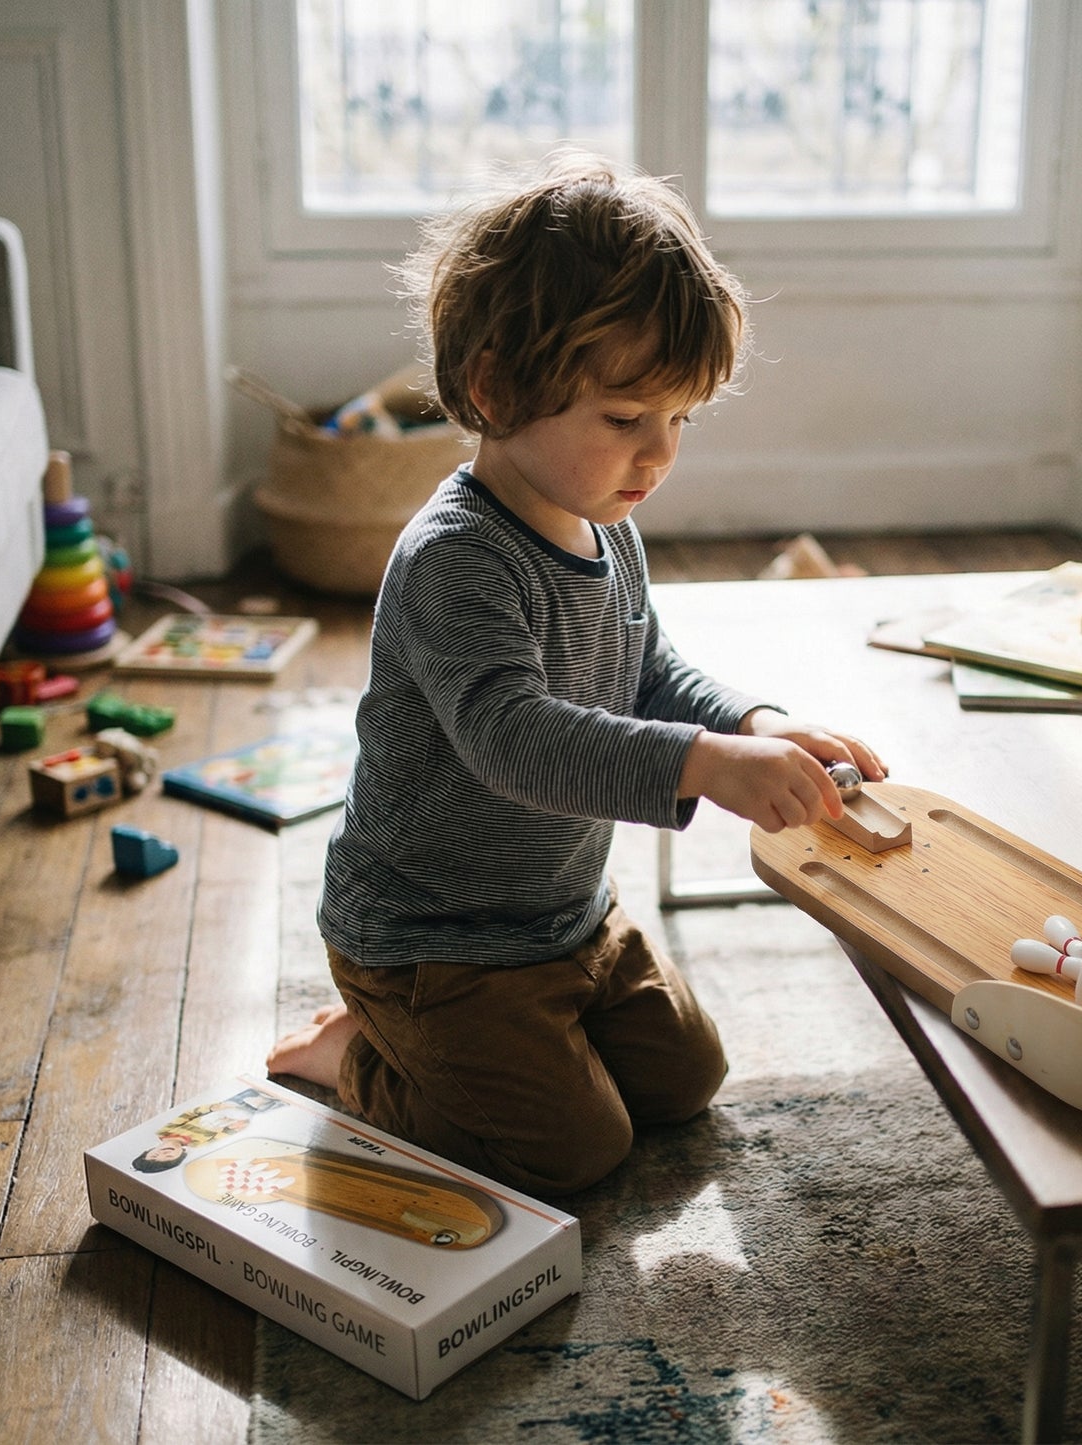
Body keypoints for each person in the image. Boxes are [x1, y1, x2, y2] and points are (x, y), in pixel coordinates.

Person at [267, 153, 886, 1196]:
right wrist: (703, 764)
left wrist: (752, 719)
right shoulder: (452, 558)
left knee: (687, 1078)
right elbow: (515, 737)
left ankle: (492, 1038)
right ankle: (365, 1055)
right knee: (574, 1149)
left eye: (678, 419)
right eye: (622, 418)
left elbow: (643, 667)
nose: (658, 455)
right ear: (495, 387)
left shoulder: (604, 524)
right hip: (433, 940)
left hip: (563, 914)